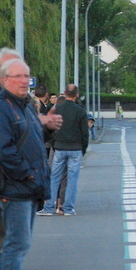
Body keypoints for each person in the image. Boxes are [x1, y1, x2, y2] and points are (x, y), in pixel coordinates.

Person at [0, 57, 50, 270]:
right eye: (17, 77)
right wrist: (28, 175)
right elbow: (5, 151)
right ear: (4, 80)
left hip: (28, 188)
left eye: (26, 76)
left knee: (19, 244)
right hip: (15, 188)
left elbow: (34, 140)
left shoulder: (26, 106)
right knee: (16, 244)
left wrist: (49, 127)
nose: (24, 81)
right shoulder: (4, 108)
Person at [37, 84, 88, 217]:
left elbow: (49, 128)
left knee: (54, 177)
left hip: (59, 147)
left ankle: (48, 207)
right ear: (77, 95)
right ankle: (68, 208)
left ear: (64, 93)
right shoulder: (81, 111)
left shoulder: (57, 109)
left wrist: (54, 142)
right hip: (75, 148)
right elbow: (85, 132)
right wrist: (83, 148)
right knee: (72, 178)